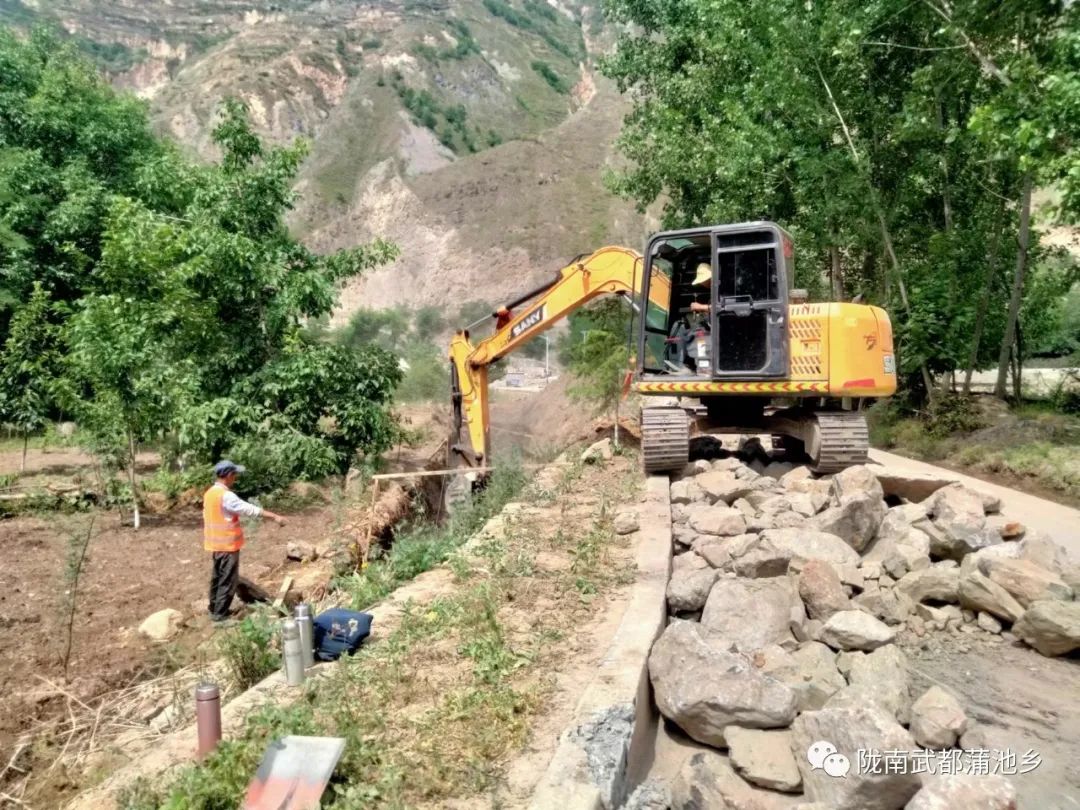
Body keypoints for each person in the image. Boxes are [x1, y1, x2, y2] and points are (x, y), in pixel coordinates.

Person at [203, 460, 287, 624]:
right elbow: (249, 509)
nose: (235, 478)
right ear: (228, 475)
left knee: (217, 578)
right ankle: (220, 618)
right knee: (228, 580)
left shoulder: (210, 493)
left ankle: (214, 609)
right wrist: (274, 516)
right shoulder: (226, 496)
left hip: (215, 545)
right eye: (234, 474)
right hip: (228, 545)